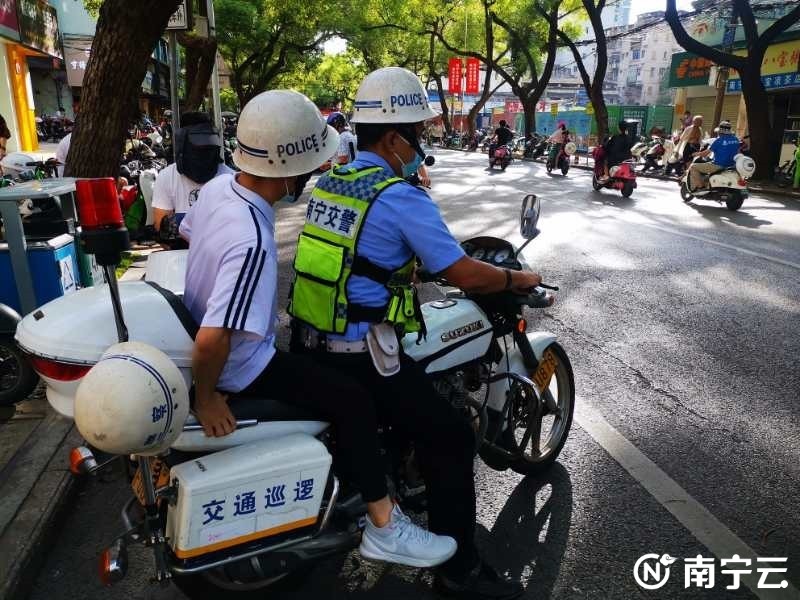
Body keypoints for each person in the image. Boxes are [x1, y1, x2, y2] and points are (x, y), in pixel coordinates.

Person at [287, 66, 541, 599]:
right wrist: (517, 277)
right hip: (360, 352)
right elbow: (464, 272)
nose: (422, 145)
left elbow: (354, 257)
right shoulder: (400, 195)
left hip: (309, 343)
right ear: (395, 137)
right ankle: (460, 572)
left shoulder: (334, 181)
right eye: (419, 134)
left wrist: (406, 267)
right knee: (448, 435)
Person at [179, 89, 457, 569]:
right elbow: (214, 337)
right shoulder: (252, 239)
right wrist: (207, 398)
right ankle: (384, 525)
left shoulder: (220, 190)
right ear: (293, 168)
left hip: (234, 347)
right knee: (353, 400)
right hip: (242, 365)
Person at [152, 112, 234, 235]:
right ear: (182, 144)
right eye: (196, 149)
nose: (202, 156)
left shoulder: (230, 179)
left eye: (207, 149)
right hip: (179, 251)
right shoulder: (167, 177)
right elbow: (161, 228)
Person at [687, 120, 740, 192]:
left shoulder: (719, 141)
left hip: (718, 165)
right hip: (731, 166)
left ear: (720, 131)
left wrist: (696, 154)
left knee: (693, 167)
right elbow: (738, 152)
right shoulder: (736, 140)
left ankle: (700, 187)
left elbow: (705, 154)